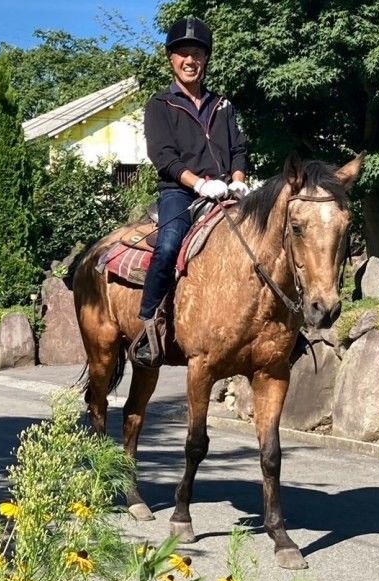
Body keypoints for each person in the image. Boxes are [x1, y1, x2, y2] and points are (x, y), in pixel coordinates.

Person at [130, 16, 249, 368]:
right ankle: (149, 324)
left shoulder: (223, 105)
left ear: (206, 59)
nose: (190, 61)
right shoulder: (159, 105)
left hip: (227, 190)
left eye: (196, 54)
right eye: (182, 53)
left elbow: (239, 148)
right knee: (167, 246)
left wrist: (238, 179)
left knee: (265, 238)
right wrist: (198, 183)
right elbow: (163, 157)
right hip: (181, 193)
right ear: (171, 59)